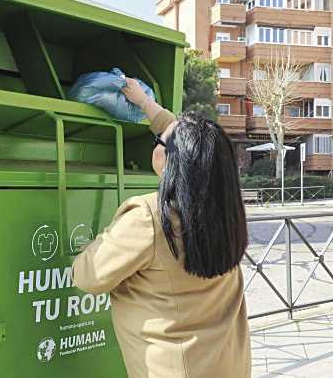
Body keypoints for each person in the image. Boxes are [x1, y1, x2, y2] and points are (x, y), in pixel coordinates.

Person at [72, 78, 251, 378]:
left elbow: (88, 276)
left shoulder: (149, 216)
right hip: (228, 364)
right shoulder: (225, 211)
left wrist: (100, 239)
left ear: (170, 161)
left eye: (159, 143)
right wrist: (145, 104)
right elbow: (188, 141)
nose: (158, 142)